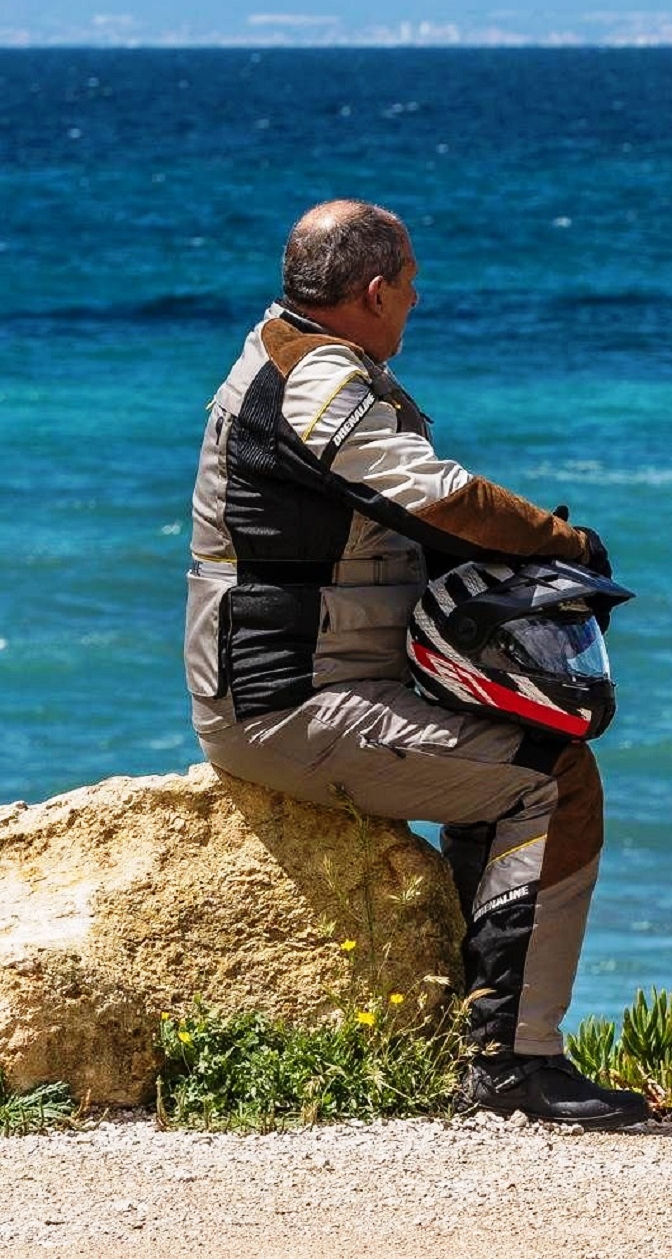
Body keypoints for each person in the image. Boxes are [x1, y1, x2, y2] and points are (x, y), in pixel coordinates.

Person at [184, 199, 648, 1129]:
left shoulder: (289, 351)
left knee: (515, 756)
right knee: (548, 784)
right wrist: (562, 539)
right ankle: (517, 1064)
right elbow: (427, 494)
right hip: (289, 709)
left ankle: (489, 1041)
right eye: (410, 284)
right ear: (374, 288)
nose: (417, 300)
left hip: (316, 689)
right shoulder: (314, 379)